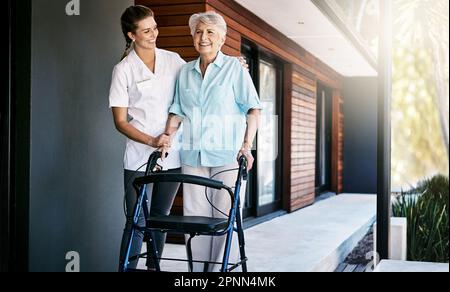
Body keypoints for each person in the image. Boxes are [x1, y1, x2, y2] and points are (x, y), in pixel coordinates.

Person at [163, 11, 262, 272]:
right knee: (194, 221)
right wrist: (167, 137)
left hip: (227, 155)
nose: (203, 37)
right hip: (193, 156)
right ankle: (197, 272)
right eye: (198, 32)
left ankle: (216, 272)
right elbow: (177, 110)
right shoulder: (185, 72)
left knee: (223, 217)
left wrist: (246, 146)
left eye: (210, 32)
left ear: (222, 38)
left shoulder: (234, 69)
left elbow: (253, 109)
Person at [109, 5, 185, 270]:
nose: (154, 34)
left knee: (160, 219)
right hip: (139, 158)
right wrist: (152, 141)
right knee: (136, 221)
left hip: (172, 152)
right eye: (146, 30)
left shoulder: (174, 60)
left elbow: (196, 85)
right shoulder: (124, 70)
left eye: (154, 27)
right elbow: (120, 122)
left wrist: (235, 63)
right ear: (132, 35)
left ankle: (154, 268)